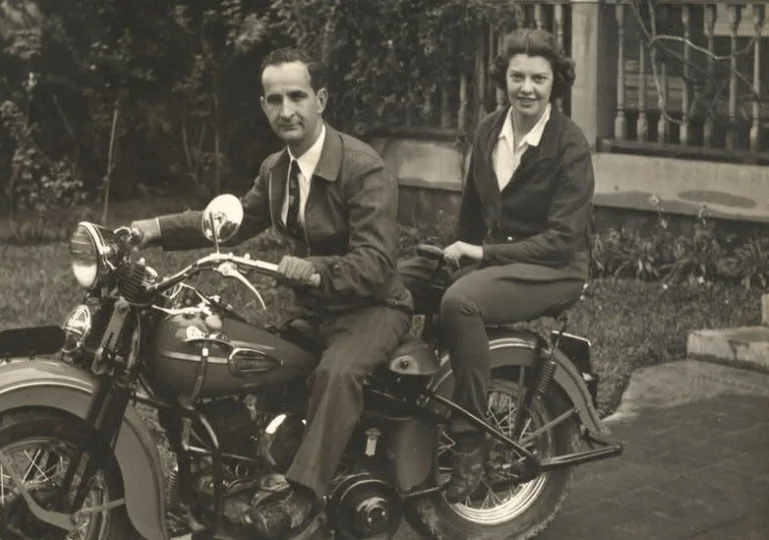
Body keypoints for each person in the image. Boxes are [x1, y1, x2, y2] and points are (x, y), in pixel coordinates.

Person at [129, 47, 413, 537]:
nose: (287, 110)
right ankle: (235, 474)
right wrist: (151, 229)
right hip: (317, 310)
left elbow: (377, 263)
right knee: (244, 361)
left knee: (336, 373)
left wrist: (316, 269)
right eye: (275, 99)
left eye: (297, 96)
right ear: (263, 106)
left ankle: (303, 496)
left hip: (373, 308)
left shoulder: (363, 168)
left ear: (320, 99)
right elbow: (229, 222)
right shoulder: (276, 171)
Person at [399, 28, 594, 502]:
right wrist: (451, 253)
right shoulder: (489, 129)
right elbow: (470, 216)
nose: (526, 87)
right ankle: (399, 406)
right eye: (517, 76)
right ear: (503, 77)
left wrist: (482, 256)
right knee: (397, 279)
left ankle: (470, 442)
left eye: (539, 78)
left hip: (556, 269)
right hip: (498, 260)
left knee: (462, 302)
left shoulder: (569, 144)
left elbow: (562, 242)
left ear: (556, 83)